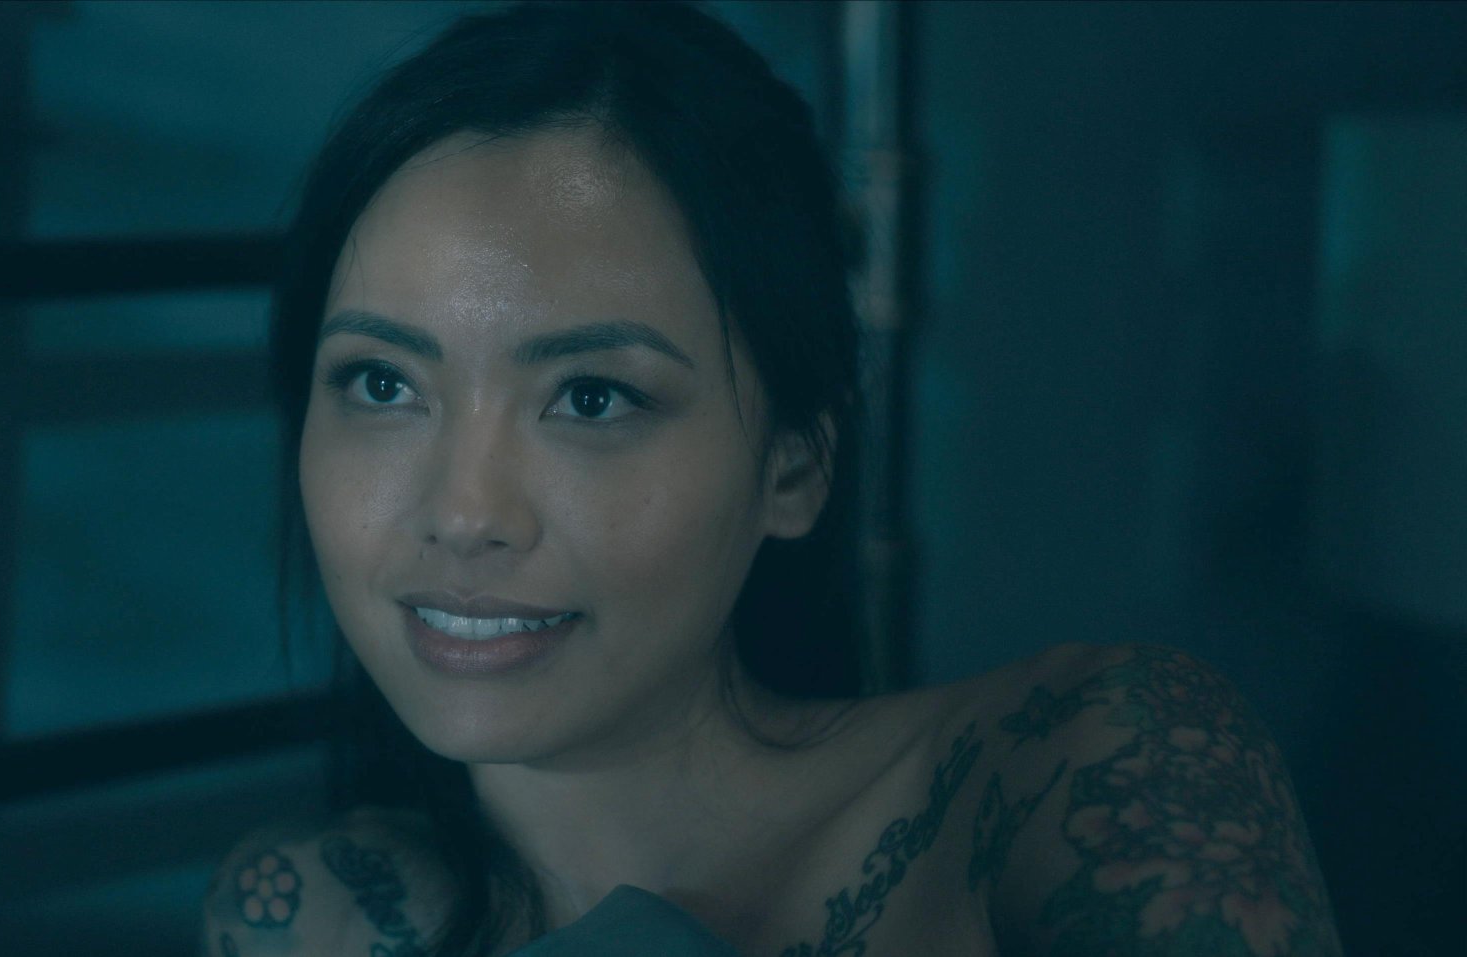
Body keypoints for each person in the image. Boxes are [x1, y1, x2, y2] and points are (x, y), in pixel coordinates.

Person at [201, 2, 1343, 955]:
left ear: (796, 462)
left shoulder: (1087, 776)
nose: (463, 513)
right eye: (382, 385)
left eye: (592, 398)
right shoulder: (315, 915)